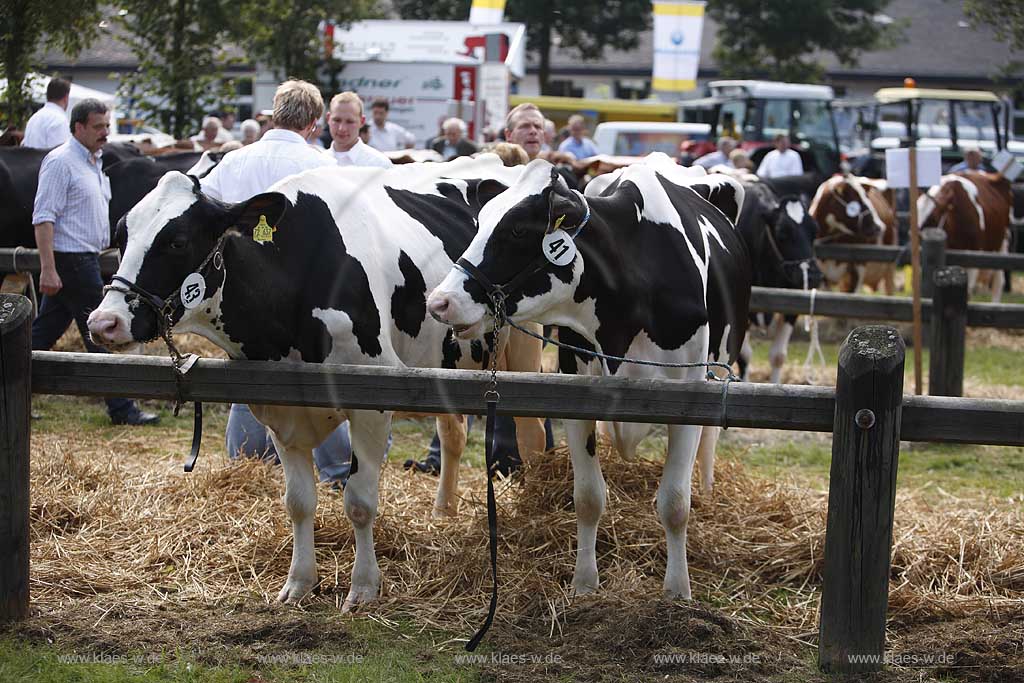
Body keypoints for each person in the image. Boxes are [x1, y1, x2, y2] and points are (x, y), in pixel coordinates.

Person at [201, 80, 353, 486]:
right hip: (304, 292)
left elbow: (204, 218)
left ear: (273, 113)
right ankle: (337, 469)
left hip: (239, 291)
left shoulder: (234, 162)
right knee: (317, 377)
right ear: (314, 122)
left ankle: (245, 467)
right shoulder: (322, 166)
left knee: (247, 368)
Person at [31, 99, 158, 426]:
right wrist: (47, 267)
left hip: (83, 259)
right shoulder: (60, 162)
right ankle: (122, 409)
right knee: (103, 334)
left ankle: (10, 394)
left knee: (40, 337)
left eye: (107, 125)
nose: (106, 132)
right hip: (72, 261)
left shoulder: (92, 161)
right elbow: (43, 218)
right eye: (98, 126)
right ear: (79, 128)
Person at [323, 92, 392, 168]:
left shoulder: (379, 164)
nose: (342, 128)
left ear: (362, 121)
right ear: (328, 119)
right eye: (337, 120)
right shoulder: (318, 163)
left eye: (350, 122)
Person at [23, 77, 71, 149]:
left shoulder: (34, 118)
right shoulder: (60, 120)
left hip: (28, 160)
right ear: (66, 97)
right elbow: (61, 156)